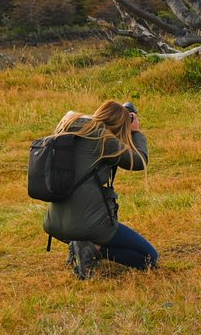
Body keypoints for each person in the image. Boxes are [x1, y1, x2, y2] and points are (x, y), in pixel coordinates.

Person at [43, 100, 158, 279]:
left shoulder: (70, 128)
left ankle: (81, 246)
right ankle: (91, 249)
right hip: (88, 225)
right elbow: (139, 161)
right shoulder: (104, 139)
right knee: (149, 258)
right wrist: (136, 131)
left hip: (55, 224)